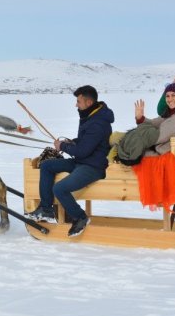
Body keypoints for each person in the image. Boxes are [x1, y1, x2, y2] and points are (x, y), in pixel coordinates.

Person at [26, 85, 114, 237]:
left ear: (88, 102)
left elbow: (83, 151)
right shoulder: (91, 115)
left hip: (92, 166)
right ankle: (46, 209)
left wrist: (63, 146)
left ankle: (80, 217)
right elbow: (85, 142)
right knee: (46, 165)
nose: (76, 105)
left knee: (60, 189)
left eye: (78, 101)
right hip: (82, 161)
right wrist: (72, 142)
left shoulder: (98, 123)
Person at [134, 82, 175, 157]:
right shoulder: (173, 113)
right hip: (160, 150)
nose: (170, 99)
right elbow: (154, 122)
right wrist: (140, 118)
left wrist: (137, 132)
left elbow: (154, 137)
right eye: (167, 96)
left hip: (163, 155)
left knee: (126, 147)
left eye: (173, 95)